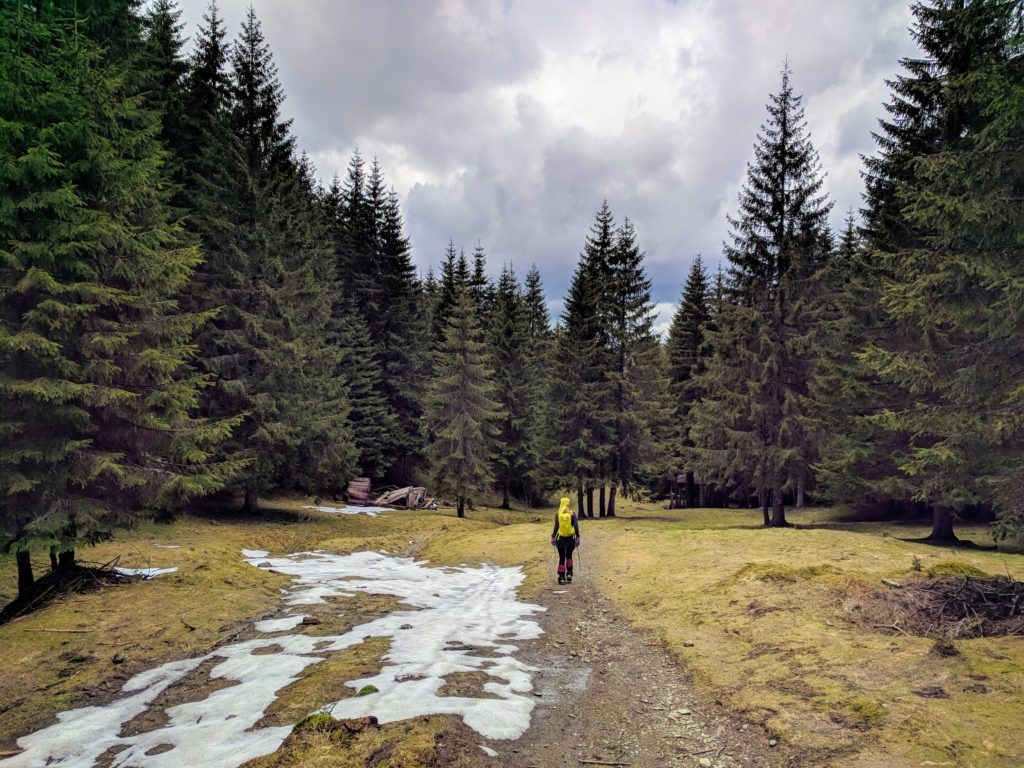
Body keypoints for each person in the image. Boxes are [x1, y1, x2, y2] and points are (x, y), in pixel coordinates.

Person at [550, 497, 580, 584]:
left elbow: (556, 527)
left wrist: (553, 537)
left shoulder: (558, 514)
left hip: (561, 539)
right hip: (571, 538)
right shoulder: (573, 514)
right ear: (568, 504)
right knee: (569, 555)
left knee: (562, 558)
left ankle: (562, 577)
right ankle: (569, 574)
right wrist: (577, 537)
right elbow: (576, 527)